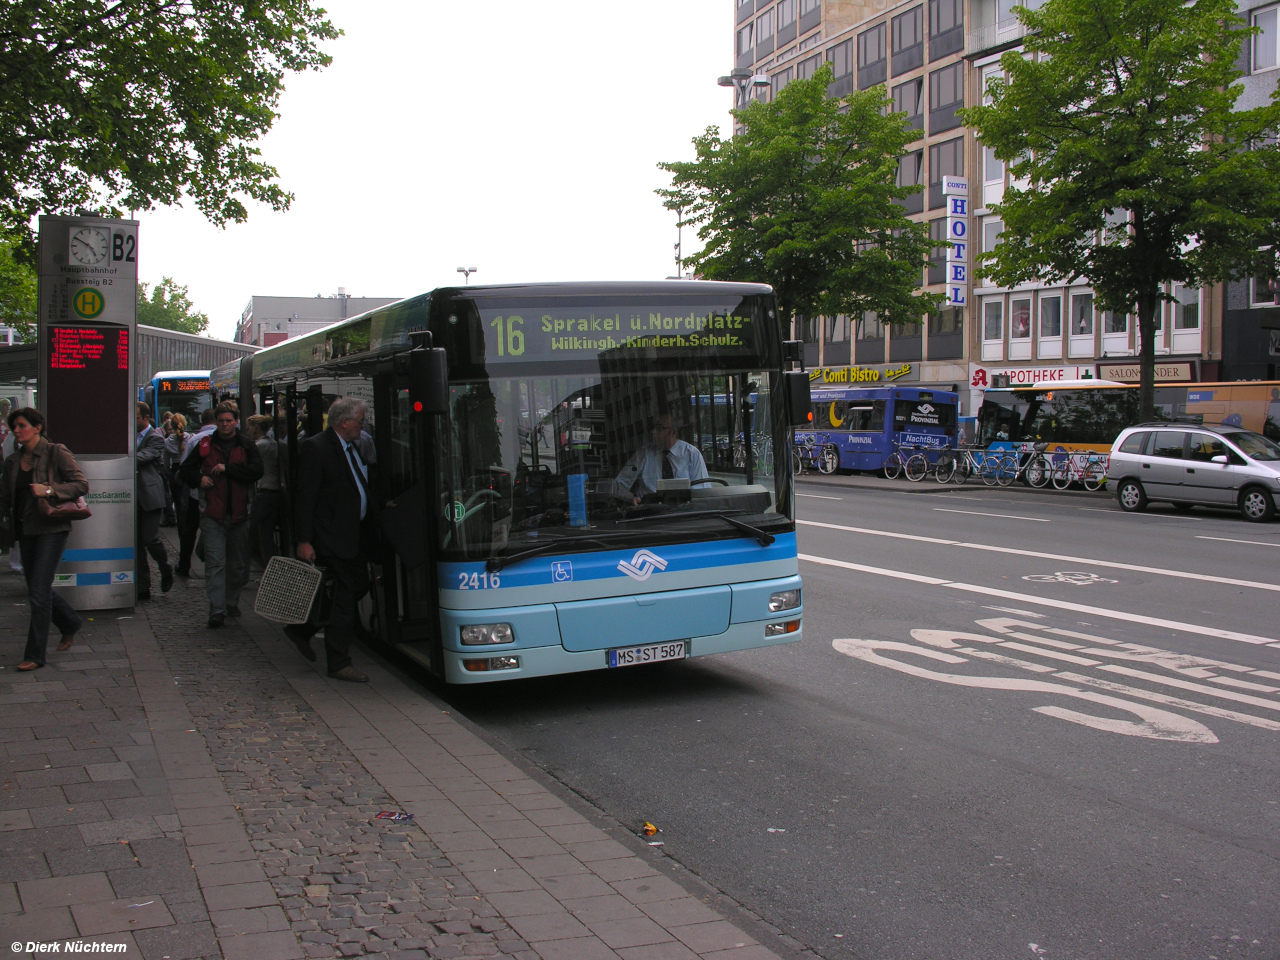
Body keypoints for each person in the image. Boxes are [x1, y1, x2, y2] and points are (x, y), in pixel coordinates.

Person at [286, 396, 377, 683]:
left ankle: (302, 630)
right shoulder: (317, 448)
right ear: (344, 422)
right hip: (330, 538)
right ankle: (338, 662)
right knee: (343, 598)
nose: (363, 427)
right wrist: (303, 540)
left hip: (353, 535)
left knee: (358, 585)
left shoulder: (352, 446)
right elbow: (305, 499)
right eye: (360, 422)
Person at [0, 407, 87, 670]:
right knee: (37, 588)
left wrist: (48, 489)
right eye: (14, 426)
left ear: (38, 427)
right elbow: (5, 498)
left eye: (22, 425)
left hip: (51, 528)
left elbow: (80, 484)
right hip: (25, 530)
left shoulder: (55, 452)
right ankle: (70, 622)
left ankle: (35, 654)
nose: (16, 430)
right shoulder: (13, 461)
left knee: (38, 589)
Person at [178, 401, 263, 628]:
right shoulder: (205, 444)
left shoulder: (246, 445)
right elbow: (185, 470)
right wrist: (199, 479)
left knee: (236, 565)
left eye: (228, 421)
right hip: (212, 515)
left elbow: (256, 471)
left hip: (240, 515)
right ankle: (217, 609)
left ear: (236, 422)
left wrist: (229, 469)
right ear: (216, 422)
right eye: (221, 421)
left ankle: (231, 601)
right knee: (216, 564)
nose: (225, 425)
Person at [615, 413, 709, 501]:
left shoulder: (691, 453)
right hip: (649, 512)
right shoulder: (643, 454)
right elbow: (620, 484)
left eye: (659, 429)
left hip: (683, 512)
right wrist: (629, 498)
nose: (654, 432)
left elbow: (701, 491)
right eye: (654, 428)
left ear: (673, 433)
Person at [135, 402, 174, 601]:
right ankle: (143, 586)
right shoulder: (129, 435)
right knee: (136, 543)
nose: (132, 421)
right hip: (132, 497)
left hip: (150, 495)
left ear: (145, 417)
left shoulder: (155, 438)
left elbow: (144, 456)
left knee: (150, 538)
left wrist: (123, 457)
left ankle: (165, 566)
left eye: (136, 417)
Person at [173, 408, 216, 578]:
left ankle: (184, 566)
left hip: (196, 496)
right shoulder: (231, 439)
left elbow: (185, 467)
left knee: (189, 530)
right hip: (220, 496)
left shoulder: (195, 440)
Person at [246, 414, 283, 569]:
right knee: (266, 535)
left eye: (249, 428)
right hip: (275, 491)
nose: (247, 431)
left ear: (256, 427)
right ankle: (272, 567)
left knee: (250, 530)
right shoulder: (274, 444)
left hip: (264, 492)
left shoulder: (259, 446)